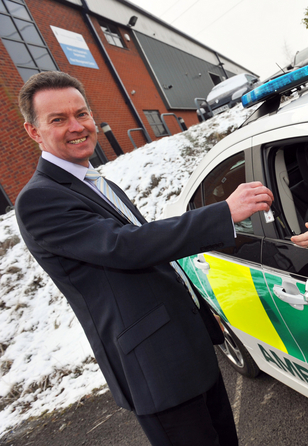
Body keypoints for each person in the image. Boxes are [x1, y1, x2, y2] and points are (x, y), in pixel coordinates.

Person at [14, 71, 273, 446]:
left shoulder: (94, 181)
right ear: (34, 132)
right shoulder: (40, 200)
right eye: (58, 119)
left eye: (81, 114)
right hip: (155, 370)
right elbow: (126, 246)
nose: (76, 126)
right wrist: (221, 214)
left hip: (186, 350)